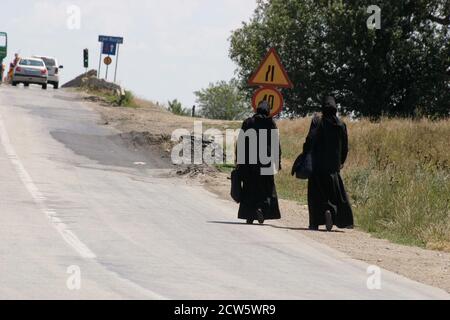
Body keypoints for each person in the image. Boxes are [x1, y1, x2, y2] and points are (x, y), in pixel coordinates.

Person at [303, 96, 354, 231]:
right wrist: (340, 162)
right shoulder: (341, 125)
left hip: (317, 165)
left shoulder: (317, 121)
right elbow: (345, 147)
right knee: (333, 193)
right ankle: (330, 211)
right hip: (333, 166)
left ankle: (315, 222)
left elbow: (309, 140)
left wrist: (305, 155)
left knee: (315, 194)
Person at [236, 101, 281, 225]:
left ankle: (249, 216)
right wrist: (278, 162)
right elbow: (276, 144)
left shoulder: (248, 122)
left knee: (249, 188)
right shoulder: (271, 123)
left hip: (249, 163)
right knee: (266, 189)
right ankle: (261, 209)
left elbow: (240, 143)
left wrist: (238, 161)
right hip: (266, 162)